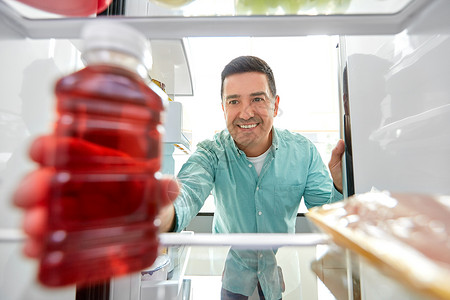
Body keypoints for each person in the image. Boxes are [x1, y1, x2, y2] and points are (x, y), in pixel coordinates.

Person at [14, 56, 345, 298]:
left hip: (282, 272)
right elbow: (185, 193)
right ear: (223, 108)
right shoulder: (212, 151)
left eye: (257, 99)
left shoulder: (302, 151)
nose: (245, 113)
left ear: (275, 104)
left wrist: (340, 186)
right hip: (231, 277)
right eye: (234, 101)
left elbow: (328, 216)